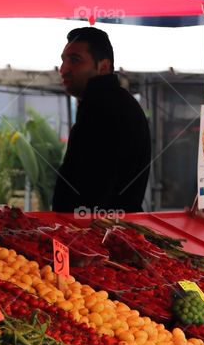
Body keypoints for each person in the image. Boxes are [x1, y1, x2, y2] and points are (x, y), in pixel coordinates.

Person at [52, 27, 152, 214]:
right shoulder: (113, 102)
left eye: (75, 60)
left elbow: (93, 187)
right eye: (63, 60)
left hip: (98, 232)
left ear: (103, 66)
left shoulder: (103, 108)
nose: (64, 69)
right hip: (108, 227)